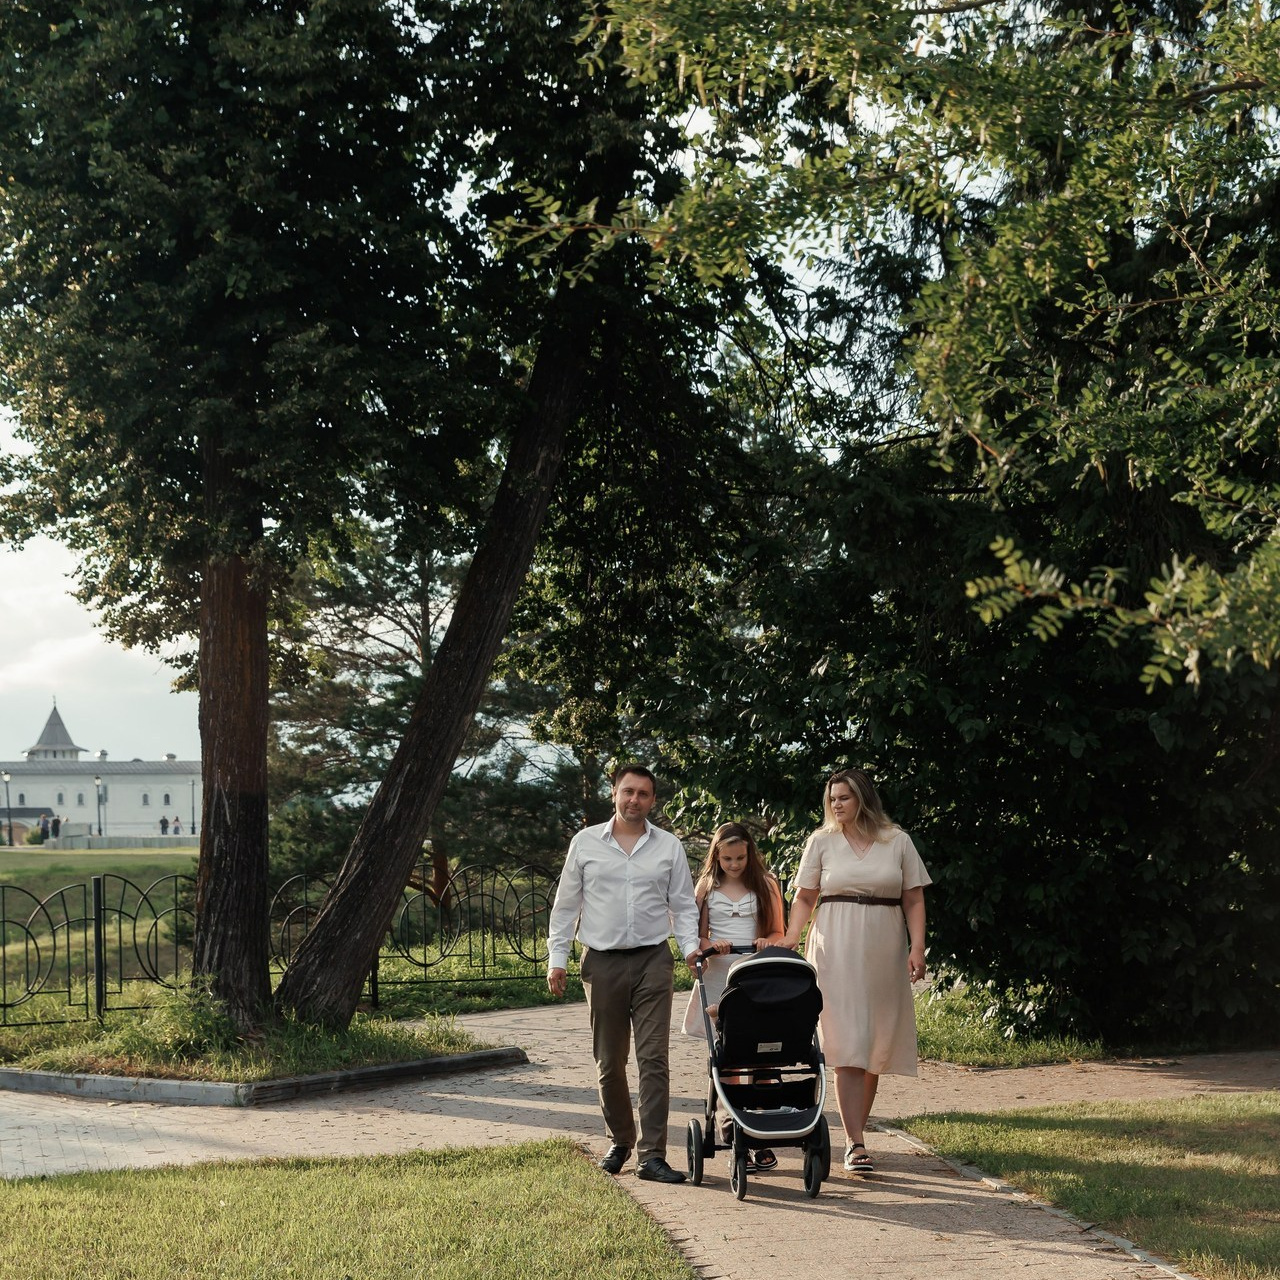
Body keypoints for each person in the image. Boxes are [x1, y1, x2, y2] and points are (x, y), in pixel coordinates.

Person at [547, 764, 701, 1184]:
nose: (635, 800)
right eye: (628, 791)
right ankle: (621, 1139)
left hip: (654, 959)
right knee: (609, 1061)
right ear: (613, 792)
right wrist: (556, 958)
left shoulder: (668, 847)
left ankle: (653, 1155)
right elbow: (566, 906)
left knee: (653, 1059)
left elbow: (684, 906)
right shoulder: (585, 844)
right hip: (601, 962)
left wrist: (690, 949)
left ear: (653, 801)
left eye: (644, 794)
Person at [781, 767, 930, 1176]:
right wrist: (792, 934)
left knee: (874, 1045)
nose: (836, 805)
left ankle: (857, 1129)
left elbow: (913, 898)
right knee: (847, 1042)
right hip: (835, 945)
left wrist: (917, 947)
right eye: (831, 799)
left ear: (862, 798)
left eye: (843, 798)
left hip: (884, 945)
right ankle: (855, 1140)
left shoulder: (896, 841)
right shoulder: (822, 841)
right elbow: (805, 896)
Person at [681, 821, 787, 1170]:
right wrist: (710, 943)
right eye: (727, 859)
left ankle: (763, 1125)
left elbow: (777, 931)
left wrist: (766, 942)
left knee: (762, 1049)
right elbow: (694, 936)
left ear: (750, 853)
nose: (735, 864)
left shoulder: (766, 884)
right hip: (718, 973)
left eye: (740, 857)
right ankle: (732, 1122)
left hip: (755, 974)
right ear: (717, 856)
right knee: (727, 1052)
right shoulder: (708, 886)